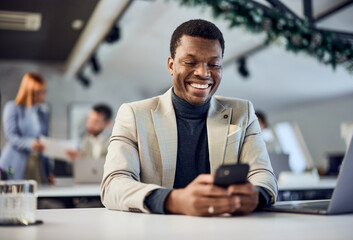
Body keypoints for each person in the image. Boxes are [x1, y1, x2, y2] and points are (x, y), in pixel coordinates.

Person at [101, 19, 277, 216]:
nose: (203, 73)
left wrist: (256, 194)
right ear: (171, 65)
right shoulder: (134, 114)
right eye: (190, 62)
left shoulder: (242, 111)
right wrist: (174, 200)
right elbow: (113, 184)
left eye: (214, 64)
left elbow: (264, 175)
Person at [0, 72, 54, 184]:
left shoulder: (43, 114)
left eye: (43, 92)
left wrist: (49, 171)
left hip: (36, 165)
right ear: (29, 92)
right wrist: (30, 143)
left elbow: (45, 143)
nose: (42, 96)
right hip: (15, 162)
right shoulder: (12, 108)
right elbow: (11, 136)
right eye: (38, 93)